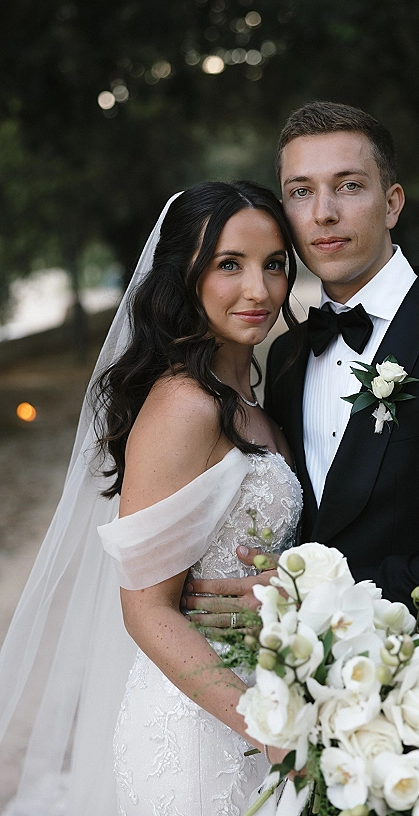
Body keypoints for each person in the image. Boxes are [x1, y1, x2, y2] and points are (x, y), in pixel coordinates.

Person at [183, 102, 419, 810]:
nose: (323, 212)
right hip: (308, 723)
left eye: (348, 186)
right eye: (300, 191)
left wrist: (307, 602)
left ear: (392, 202)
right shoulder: (287, 356)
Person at [0, 181, 302, 815]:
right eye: (229, 265)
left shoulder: (252, 405)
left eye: (274, 264)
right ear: (183, 277)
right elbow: (147, 610)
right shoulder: (185, 407)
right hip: (200, 735)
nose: (259, 290)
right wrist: (271, 733)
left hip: (271, 694)